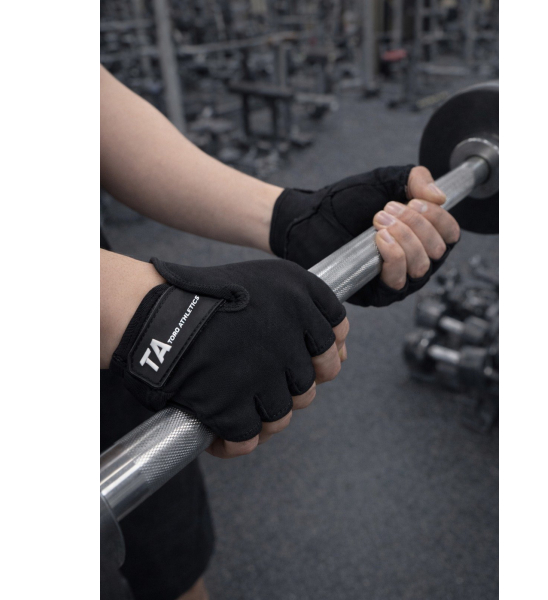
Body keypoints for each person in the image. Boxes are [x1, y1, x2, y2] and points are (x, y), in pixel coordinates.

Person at [100, 65, 460, 600]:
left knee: (171, 562)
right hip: (118, 325)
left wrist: (289, 218)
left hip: (116, 364)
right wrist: (150, 316)